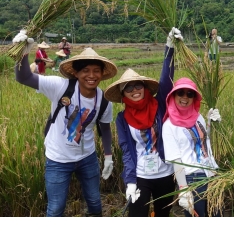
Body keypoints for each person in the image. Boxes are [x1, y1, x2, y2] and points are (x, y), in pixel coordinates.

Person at [13, 30, 118, 217]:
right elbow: (24, 78)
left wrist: (108, 156)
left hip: (87, 158)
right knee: (56, 208)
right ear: (76, 73)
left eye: (96, 71)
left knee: (95, 202)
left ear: (102, 74)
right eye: (85, 70)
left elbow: (104, 128)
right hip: (57, 158)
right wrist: (22, 53)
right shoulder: (60, 87)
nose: (91, 75)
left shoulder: (104, 100)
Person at [104, 28, 182, 217]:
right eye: (128, 88)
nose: (134, 90)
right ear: (123, 94)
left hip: (165, 173)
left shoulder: (160, 105)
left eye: (137, 85)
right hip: (141, 176)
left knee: (163, 216)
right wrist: (130, 181)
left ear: (145, 87)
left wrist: (169, 48)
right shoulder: (122, 119)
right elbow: (127, 150)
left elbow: (167, 79)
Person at [162, 77, 221, 217]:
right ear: (173, 96)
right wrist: (183, 188)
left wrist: (210, 123)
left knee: (216, 215)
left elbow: (204, 141)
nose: (185, 97)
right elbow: (176, 160)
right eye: (180, 93)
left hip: (211, 173)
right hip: (192, 178)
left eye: (190, 94)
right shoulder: (169, 126)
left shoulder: (197, 116)